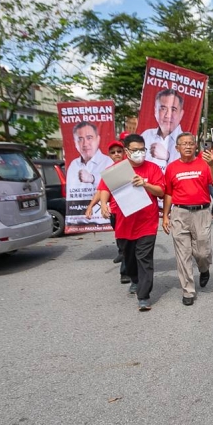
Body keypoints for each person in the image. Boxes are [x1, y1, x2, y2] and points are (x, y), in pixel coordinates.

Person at [94, 134, 166, 312]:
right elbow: (104, 188)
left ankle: (144, 296)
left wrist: (145, 184)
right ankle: (134, 279)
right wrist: (103, 204)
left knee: (145, 259)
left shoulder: (153, 168)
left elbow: (161, 191)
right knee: (129, 258)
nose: (139, 153)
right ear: (126, 151)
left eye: (142, 149)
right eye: (135, 150)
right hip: (124, 223)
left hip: (147, 223)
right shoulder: (116, 170)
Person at [163, 133, 213, 306]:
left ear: (196, 146)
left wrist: (212, 165)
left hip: (202, 213)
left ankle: (204, 269)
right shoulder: (172, 168)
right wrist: (165, 215)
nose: (188, 146)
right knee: (183, 254)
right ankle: (188, 290)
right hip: (179, 213)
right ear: (177, 148)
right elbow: (168, 193)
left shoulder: (205, 164)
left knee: (202, 252)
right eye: (184, 144)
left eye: (191, 143)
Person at [85, 140, 128, 271]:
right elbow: (101, 190)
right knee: (121, 238)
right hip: (115, 211)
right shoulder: (109, 171)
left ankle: (125, 270)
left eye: (119, 151)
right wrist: (91, 206)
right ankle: (122, 253)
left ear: (124, 152)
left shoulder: (130, 167)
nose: (116, 154)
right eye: (113, 152)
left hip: (130, 210)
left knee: (128, 242)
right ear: (109, 155)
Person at [66, 121, 113, 226]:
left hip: (103, 220)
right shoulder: (73, 165)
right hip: (78, 221)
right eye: (80, 139)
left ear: (98, 139)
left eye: (89, 138)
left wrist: (92, 178)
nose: (85, 143)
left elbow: (110, 187)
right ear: (75, 143)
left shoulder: (108, 162)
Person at [139, 88, 185, 173]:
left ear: (181, 114)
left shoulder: (186, 141)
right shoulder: (146, 136)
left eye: (173, 109)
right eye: (163, 108)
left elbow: (186, 172)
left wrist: (167, 157)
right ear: (155, 111)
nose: (168, 115)